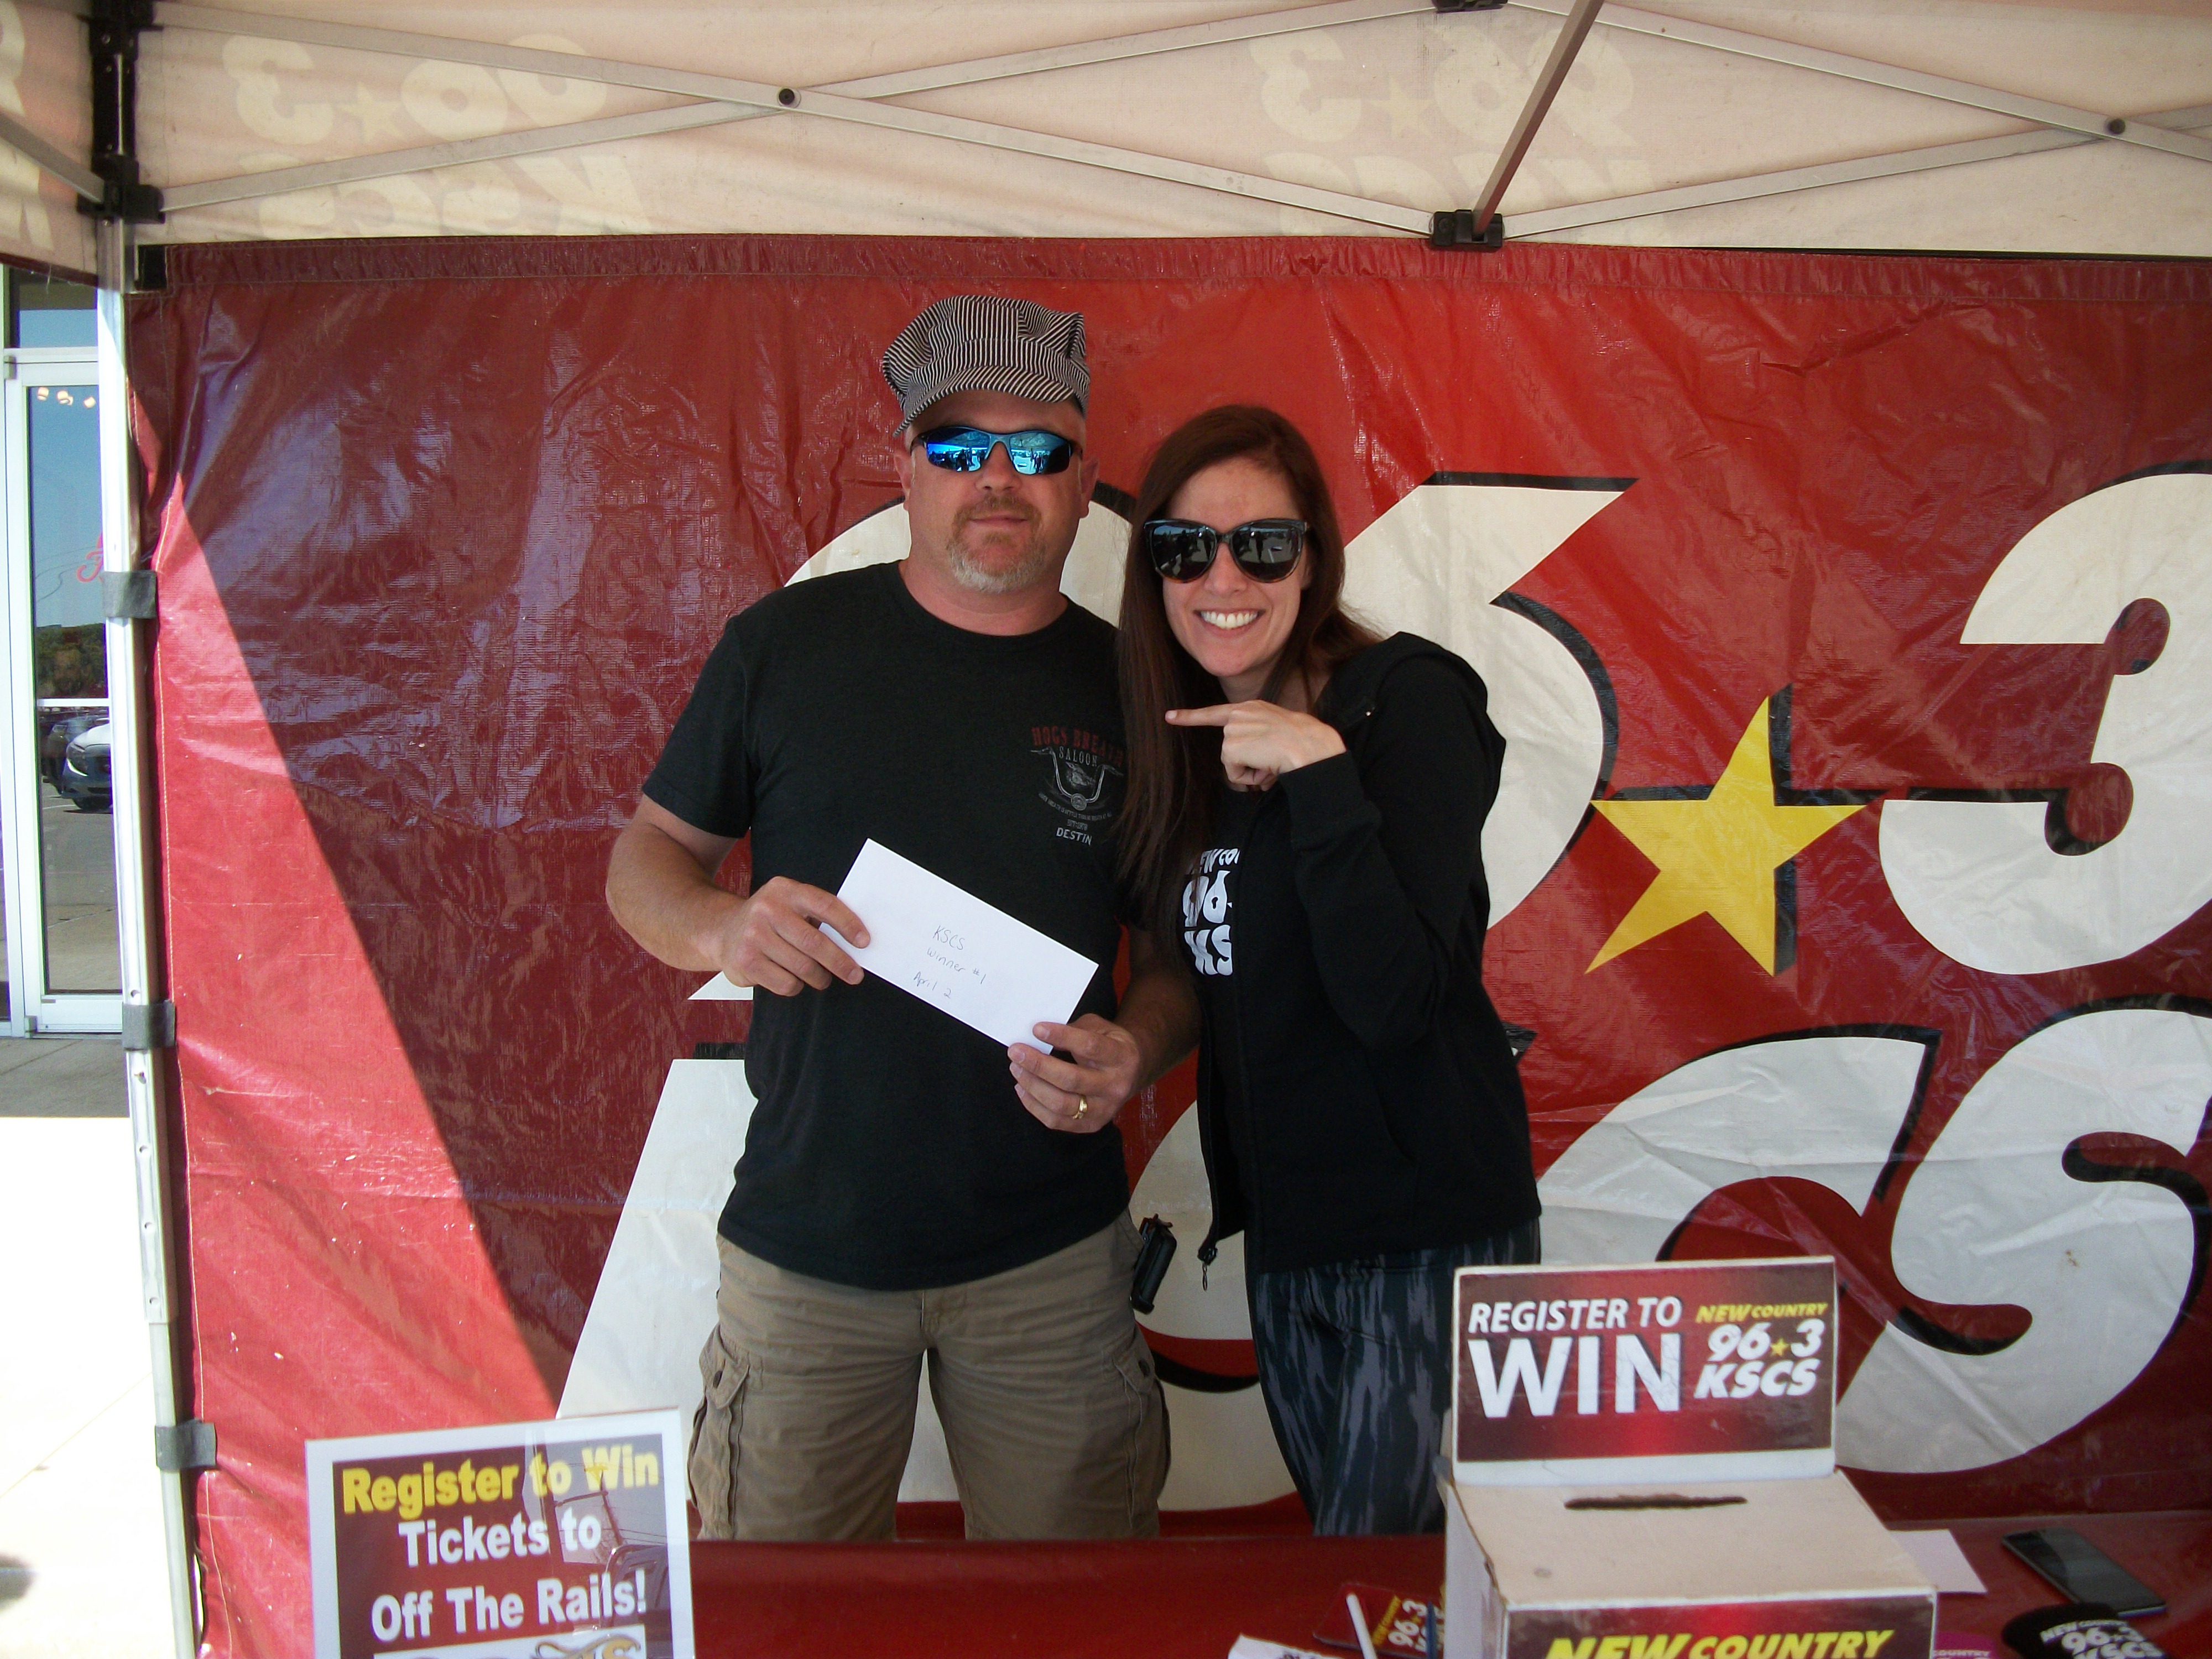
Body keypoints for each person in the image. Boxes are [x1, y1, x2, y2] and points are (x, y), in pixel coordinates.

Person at [606, 296, 1193, 1542]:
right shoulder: (782, 648)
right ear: (905, 465)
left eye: (1035, 449)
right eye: (958, 445)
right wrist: (720, 932)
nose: (997, 478)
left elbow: (1177, 957)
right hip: (807, 1254)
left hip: (1050, 1260)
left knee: (1077, 1616)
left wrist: (1138, 1048)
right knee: (790, 1614)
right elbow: (645, 860)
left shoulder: (1134, 684)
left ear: (1083, 476)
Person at [1114, 405, 1540, 1535]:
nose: (1223, 578)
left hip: (1423, 1234)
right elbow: (1200, 971)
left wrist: (1320, 771)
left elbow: (1397, 1001)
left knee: (1395, 1580)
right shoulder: (1190, 744)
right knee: (1346, 1569)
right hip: (1291, 1242)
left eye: (1261, 544)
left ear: (1312, 560)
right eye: (1184, 547)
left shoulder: (1408, 701)